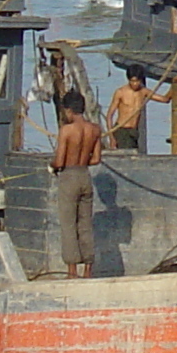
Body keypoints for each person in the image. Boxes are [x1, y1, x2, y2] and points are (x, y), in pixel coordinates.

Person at [51, 91, 102, 278]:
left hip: (69, 177)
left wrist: (51, 166)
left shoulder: (66, 130)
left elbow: (59, 161)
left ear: (68, 110)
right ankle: (88, 269)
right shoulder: (95, 129)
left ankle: (72, 271)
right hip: (85, 176)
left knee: (68, 224)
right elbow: (96, 159)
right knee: (86, 223)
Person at [107, 65, 169, 151]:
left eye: (137, 81)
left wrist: (174, 85)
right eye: (132, 81)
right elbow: (109, 115)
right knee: (128, 156)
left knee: (134, 153)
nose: (135, 84)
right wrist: (111, 137)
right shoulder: (120, 92)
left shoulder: (143, 91)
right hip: (122, 130)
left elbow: (165, 99)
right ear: (128, 80)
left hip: (134, 131)